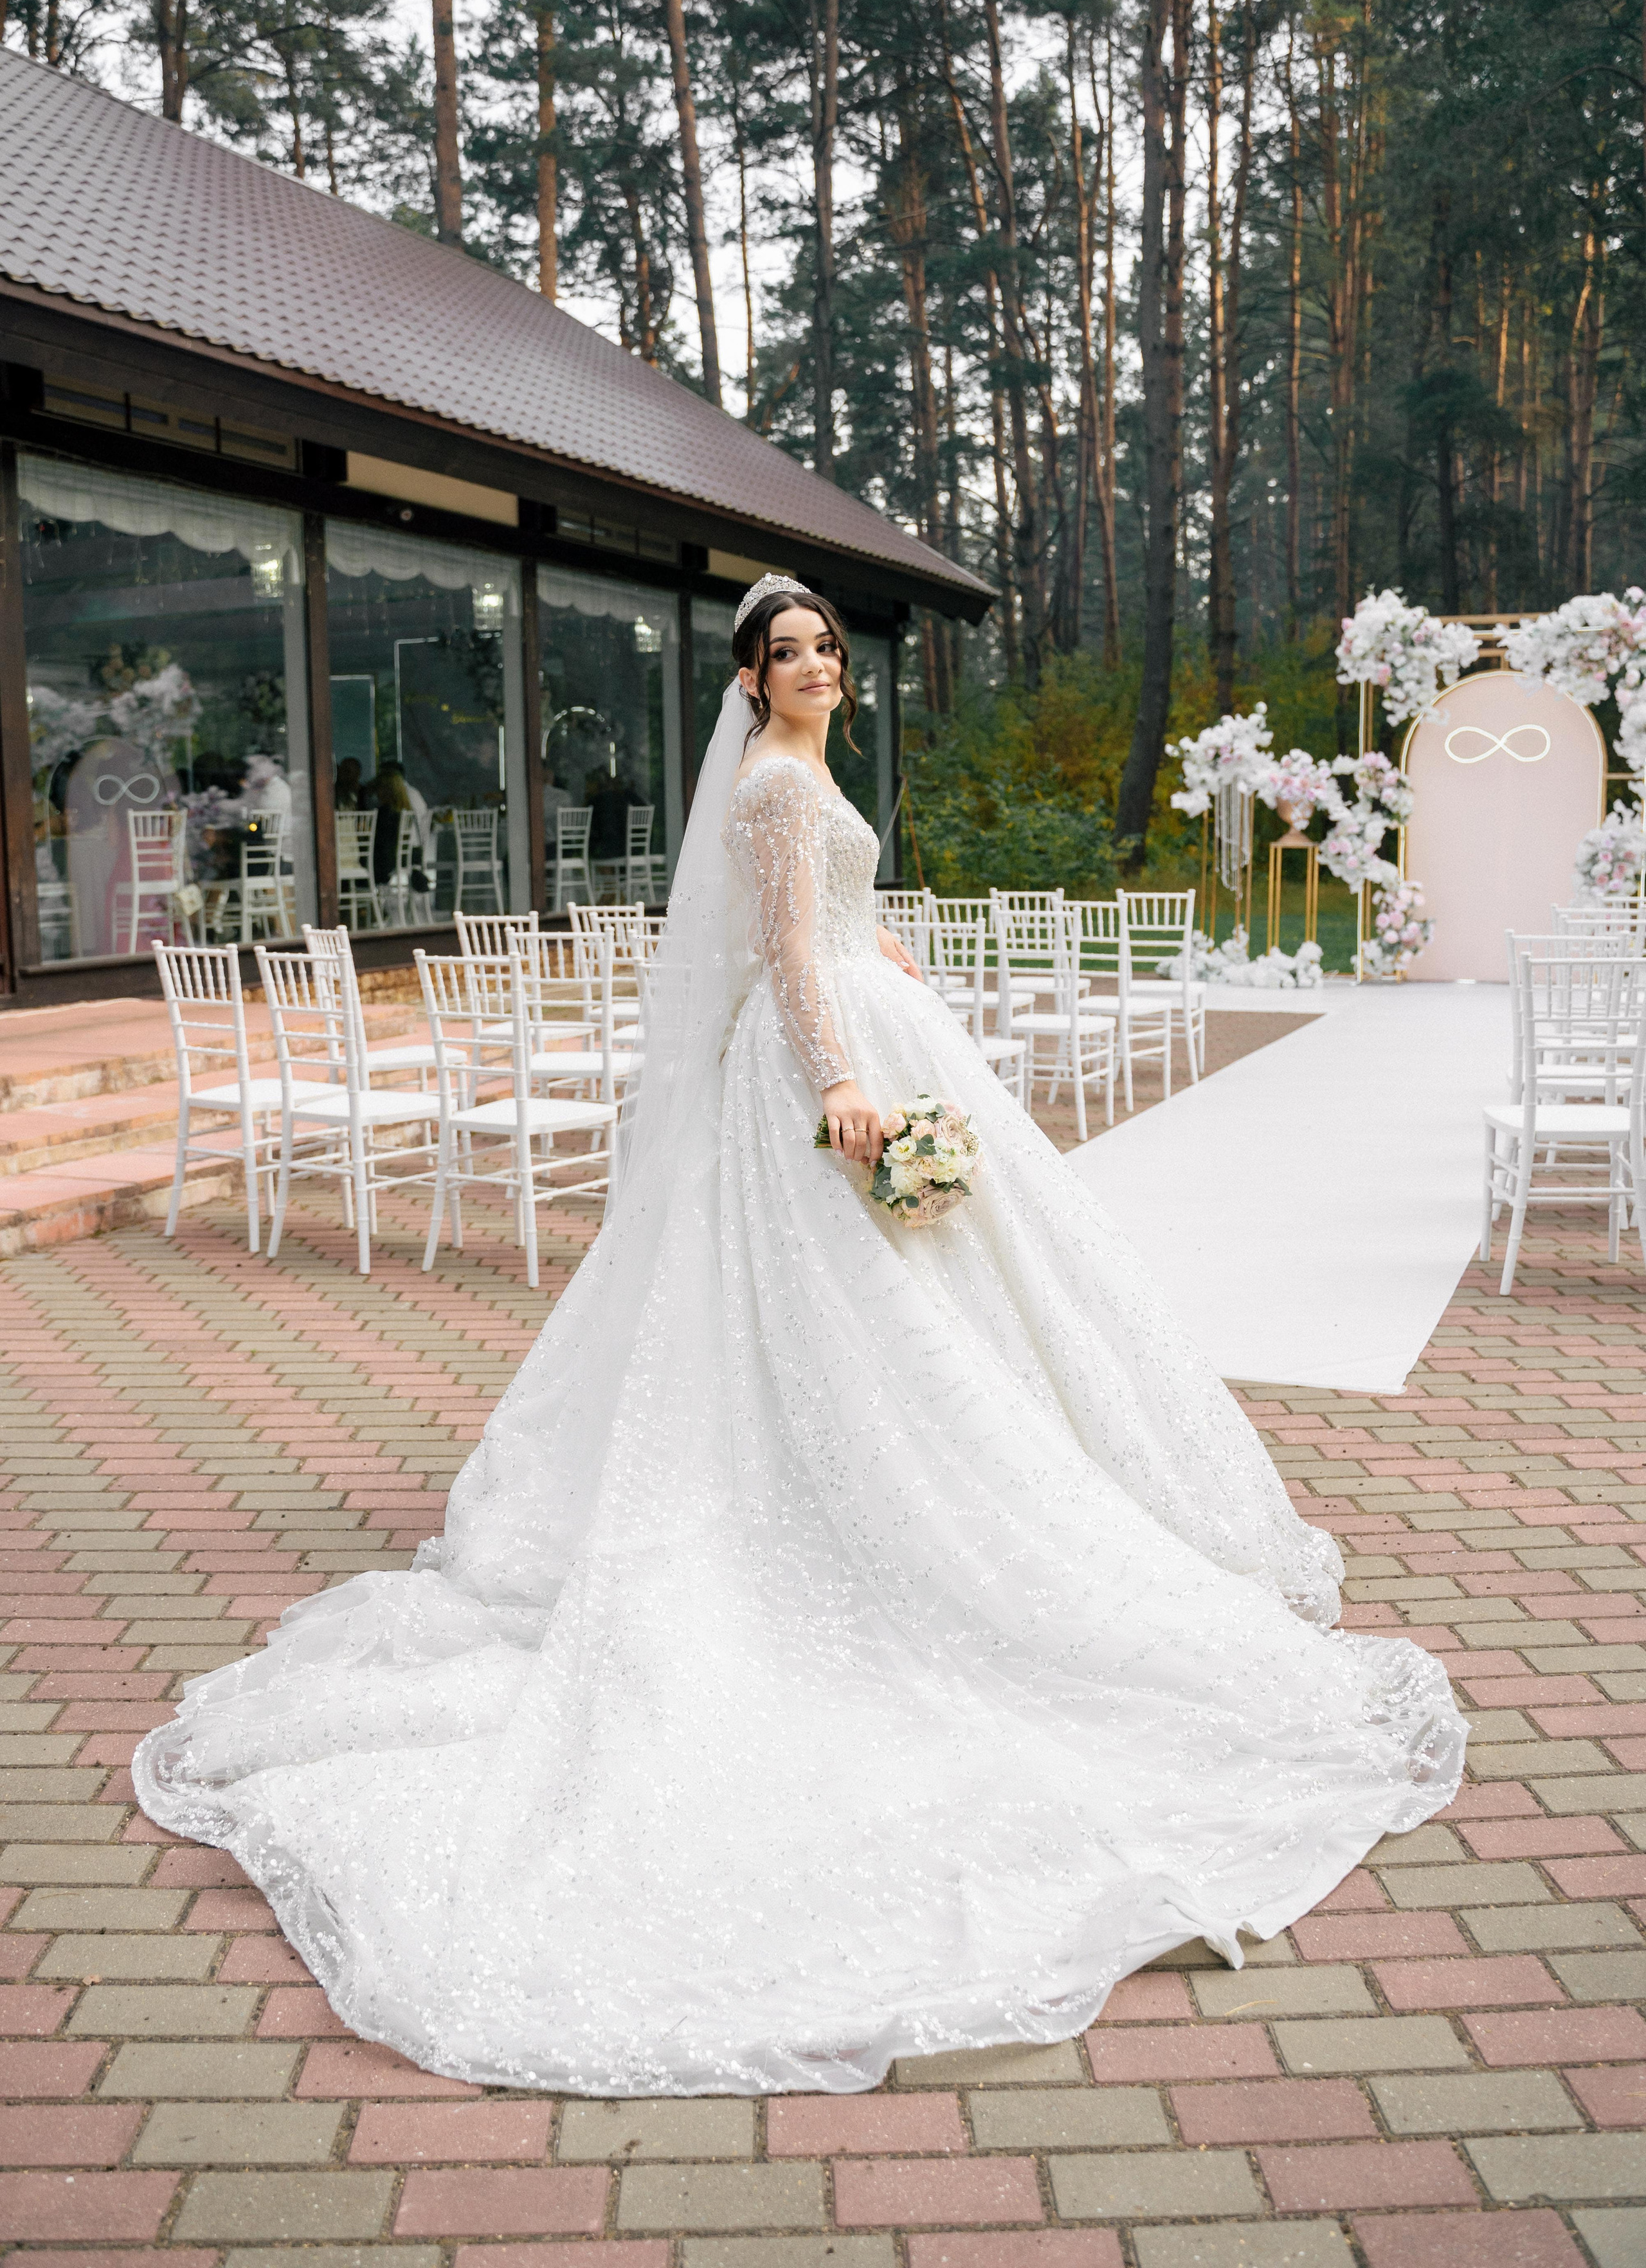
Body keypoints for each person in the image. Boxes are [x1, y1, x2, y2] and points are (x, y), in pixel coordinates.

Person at [133, 572, 1464, 2098]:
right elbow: (776, 952)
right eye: (789, 655)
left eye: (827, 648)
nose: (818, 668)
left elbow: (828, 915)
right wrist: (841, 1077)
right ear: (752, 685)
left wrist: (879, 953)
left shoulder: (803, 773)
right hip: (821, 1070)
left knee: (950, 1301)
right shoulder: (770, 788)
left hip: (868, 1014)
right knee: (860, 1301)